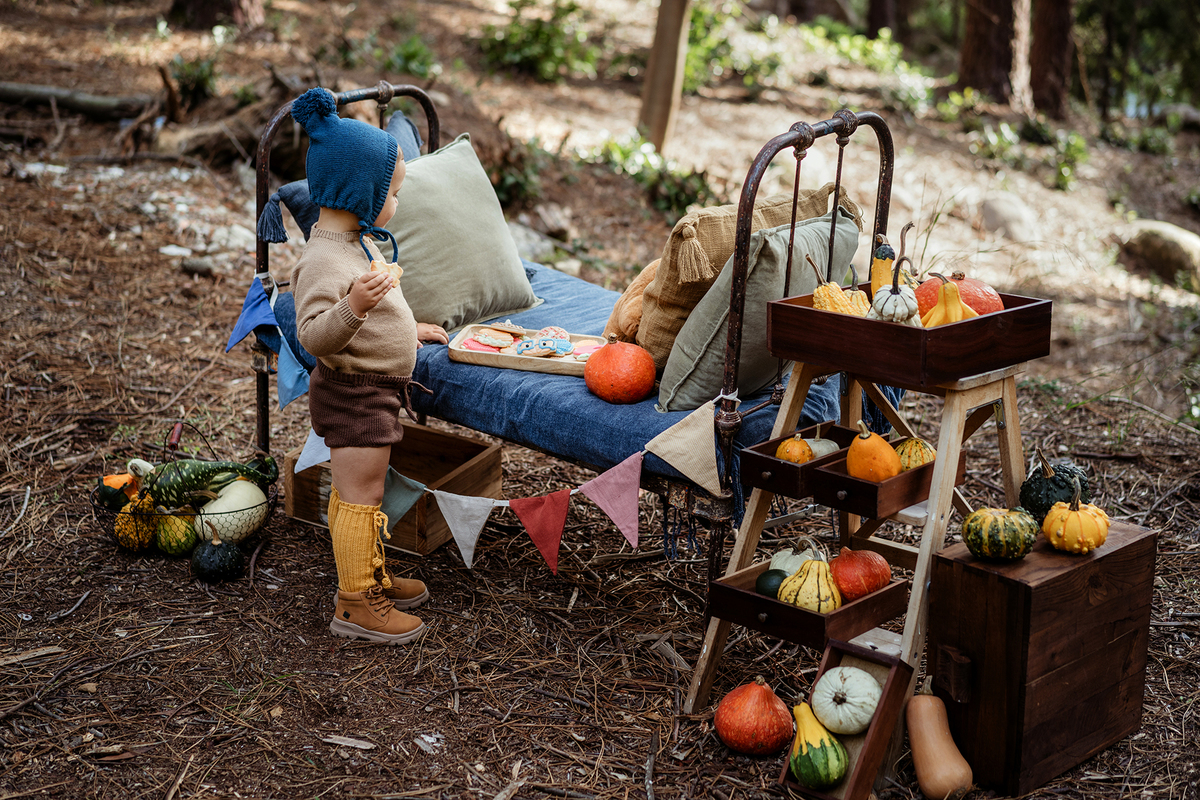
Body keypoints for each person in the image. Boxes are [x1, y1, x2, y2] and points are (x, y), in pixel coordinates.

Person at [289, 87, 448, 645]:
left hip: (372, 388)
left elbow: (383, 306)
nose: (397, 204)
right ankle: (356, 602)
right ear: (362, 192)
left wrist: (411, 328)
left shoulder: (356, 242)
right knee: (361, 496)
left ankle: (369, 572)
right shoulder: (323, 259)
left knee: (363, 494)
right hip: (353, 393)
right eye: (393, 194)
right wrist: (354, 306)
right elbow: (314, 334)